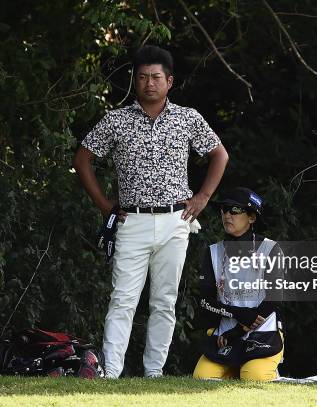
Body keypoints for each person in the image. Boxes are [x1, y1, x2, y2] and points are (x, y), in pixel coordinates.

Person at [73, 45, 229, 378]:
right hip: (131, 220)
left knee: (164, 301)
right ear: (134, 80)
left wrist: (202, 196)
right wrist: (104, 205)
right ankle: (111, 373)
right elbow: (82, 159)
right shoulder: (116, 120)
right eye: (142, 77)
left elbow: (220, 154)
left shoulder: (187, 118)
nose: (149, 83)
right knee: (122, 300)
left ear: (169, 81)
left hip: (177, 220)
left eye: (156, 77)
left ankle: (154, 373)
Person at [193, 187, 285, 381]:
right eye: (224, 209)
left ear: (252, 218)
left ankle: (255, 368)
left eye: (235, 210)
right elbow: (205, 300)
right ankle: (237, 368)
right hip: (225, 334)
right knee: (202, 378)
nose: (227, 215)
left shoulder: (270, 248)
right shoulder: (213, 252)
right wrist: (236, 315)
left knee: (255, 378)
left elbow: (275, 298)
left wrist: (242, 329)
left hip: (262, 332)